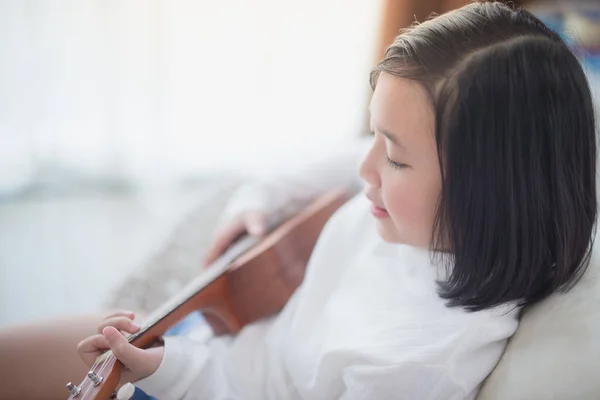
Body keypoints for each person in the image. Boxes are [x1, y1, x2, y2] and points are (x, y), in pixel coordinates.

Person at [0, 2, 596, 399]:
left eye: (394, 156)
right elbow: (337, 162)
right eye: (375, 136)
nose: (365, 168)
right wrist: (257, 200)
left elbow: (257, 385)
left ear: (487, 183)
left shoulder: (414, 366)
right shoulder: (416, 211)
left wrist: (165, 371)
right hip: (204, 349)